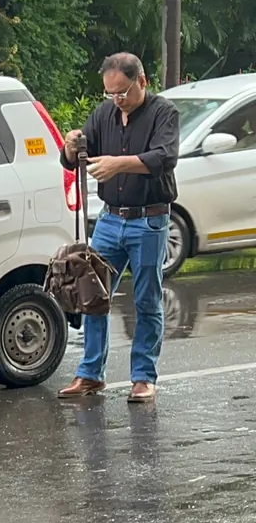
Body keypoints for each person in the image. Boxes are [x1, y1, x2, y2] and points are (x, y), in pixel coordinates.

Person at [58, 53, 180, 402]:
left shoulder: (163, 113)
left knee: (146, 299)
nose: (117, 100)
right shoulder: (102, 114)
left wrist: (120, 164)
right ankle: (90, 374)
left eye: (123, 92)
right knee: (92, 296)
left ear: (142, 81)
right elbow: (76, 158)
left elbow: (164, 157)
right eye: (110, 93)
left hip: (150, 219)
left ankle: (143, 377)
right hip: (110, 219)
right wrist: (70, 147)